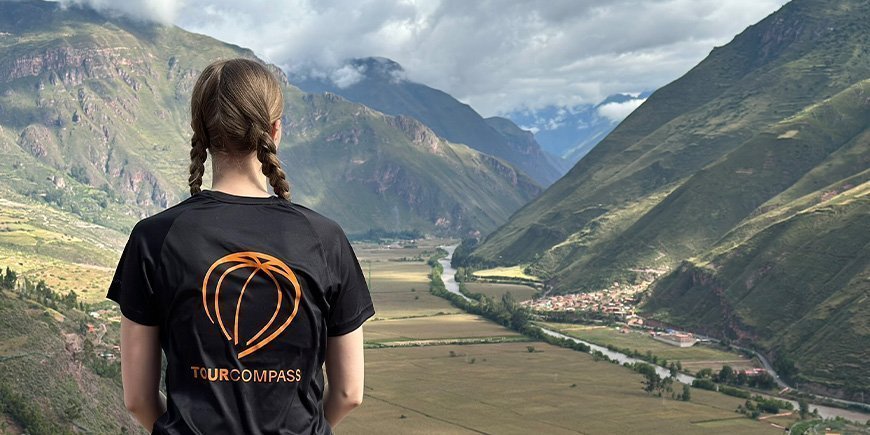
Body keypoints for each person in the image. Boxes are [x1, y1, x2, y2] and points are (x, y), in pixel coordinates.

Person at [106, 58, 375, 434]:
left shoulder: (154, 237)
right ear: (275, 130)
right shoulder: (325, 238)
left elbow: (138, 399)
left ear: (198, 130)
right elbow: (348, 393)